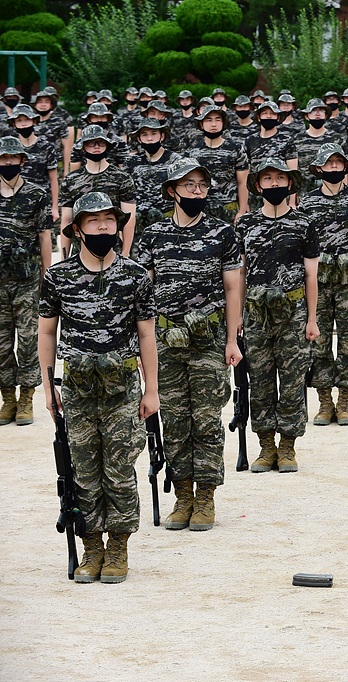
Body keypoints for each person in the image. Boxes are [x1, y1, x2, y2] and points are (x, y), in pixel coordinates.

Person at [38, 191, 159, 583]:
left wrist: (152, 388)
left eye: (110, 219)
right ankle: (91, 546)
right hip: (76, 390)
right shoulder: (58, 277)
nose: (104, 226)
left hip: (122, 388)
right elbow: (47, 332)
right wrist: (46, 385)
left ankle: (118, 547)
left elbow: (146, 336)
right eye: (94, 220)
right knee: (84, 473)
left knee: (120, 470)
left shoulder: (136, 275)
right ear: (77, 229)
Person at [135, 158, 243, 531]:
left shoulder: (222, 234)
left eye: (202, 185)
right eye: (188, 185)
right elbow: (143, 296)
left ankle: (206, 497)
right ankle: (182, 496)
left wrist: (232, 339)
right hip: (165, 342)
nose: (197, 191)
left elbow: (233, 288)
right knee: (176, 420)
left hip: (209, 340)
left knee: (207, 419)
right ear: (172, 191)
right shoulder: (152, 236)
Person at [236, 158, 319, 472]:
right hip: (257, 315)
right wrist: (239, 316)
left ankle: (288, 446)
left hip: (294, 314)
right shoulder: (245, 224)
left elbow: (311, 275)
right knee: (259, 381)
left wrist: (312, 319)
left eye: (280, 179)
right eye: (267, 179)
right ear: (258, 186)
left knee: (292, 380)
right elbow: (240, 273)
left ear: (290, 184)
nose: (274, 184)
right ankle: (266, 445)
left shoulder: (304, 224)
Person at [304, 144, 348, 425]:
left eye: (338, 163)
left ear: (346, 167)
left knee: (347, 343)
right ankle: (324, 402)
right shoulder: (307, 202)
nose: (334, 168)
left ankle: (344, 401)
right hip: (317, 284)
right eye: (328, 164)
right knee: (318, 343)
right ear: (319, 168)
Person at [0, 136, 52, 426]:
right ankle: (7, 397)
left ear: (22, 160)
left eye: (12, 158)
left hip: (27, 279)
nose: (7, 163)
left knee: (29, 339)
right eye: (3, 158)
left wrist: (47, 275)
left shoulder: (36, 194)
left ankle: (26, 397)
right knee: (1, 342)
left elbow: (45, 236)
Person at [59, 125, 137, 257]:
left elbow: (130, 218)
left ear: (107, 145)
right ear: (83, 147)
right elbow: (66, 220)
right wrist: (64, 257)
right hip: (80, 251)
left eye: (101, 142)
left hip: (113, 250)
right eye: (91, 142)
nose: (96, 146)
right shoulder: (71, 180)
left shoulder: (122, 177)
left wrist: (125, 253)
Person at [186, 105, 249, 224]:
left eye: (217, 120)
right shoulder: (192, 152)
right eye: (209, 120)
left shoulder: (235, 149)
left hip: (228, 208)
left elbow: (243, 182)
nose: (213, 124)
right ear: (201, 124)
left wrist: (242, 210)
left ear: (223, 123)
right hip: (199, 210)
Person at [124, 119, 181, 244]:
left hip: (169, 225)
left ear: (162, 136)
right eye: (144, 135)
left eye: (154, 133)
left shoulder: (175, 160)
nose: (149, 138)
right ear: (139, 139)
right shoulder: (131, 162)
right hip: (138, 228)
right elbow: (124, 195)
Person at [7, 104, 60, 223]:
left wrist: (54, 207)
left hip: (41, 202)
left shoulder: (46, 147)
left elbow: (53, 180)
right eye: (19, 121)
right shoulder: (9, 150)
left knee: (45, 239)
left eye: (27, 119)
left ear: (34, 122)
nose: (24, 124)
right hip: (15, 203)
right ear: (14, 124)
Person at [293, 99, 342, 188]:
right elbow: (293, 170)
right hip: (304, 189)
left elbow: (343, 167)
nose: (318, 114)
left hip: (331, 187)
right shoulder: (296, 139)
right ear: (306, 116)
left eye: (321, 111)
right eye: (313, 111)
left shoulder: (337, 139)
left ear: (326, 115)